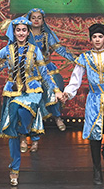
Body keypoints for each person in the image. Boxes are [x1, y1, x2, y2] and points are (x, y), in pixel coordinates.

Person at [0, 16, 63, 186]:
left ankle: (24, 133)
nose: (21, 33)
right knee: (11, 132)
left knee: (21, 109)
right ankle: (14, 169)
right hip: (12, 91)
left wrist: (56, 90)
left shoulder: (34, 50)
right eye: (18, 30)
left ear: (28, 32)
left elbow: (44, 73)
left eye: (24, 30)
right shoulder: (7, 50)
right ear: (14, 32)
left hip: (32, 90)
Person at [61, 23, 104, 185]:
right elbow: (76, 79)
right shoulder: (84, 58)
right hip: (95, 97)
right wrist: (68, 92)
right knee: (94, 134)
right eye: (95, 37)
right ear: (90, 39)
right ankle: (97, 169)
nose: (97, 40)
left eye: (100, 37)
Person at [25, 8, 75, 152]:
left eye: (39, 18)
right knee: (34, 107)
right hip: (30, 73)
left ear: (43, 20)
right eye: (33, 17)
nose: (36, 20)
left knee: (54, 90)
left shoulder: (47, 35)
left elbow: (60, 49)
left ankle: (57, 116)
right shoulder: (24, 35)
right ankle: (32, 140)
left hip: (47, 69)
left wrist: (76, 59)